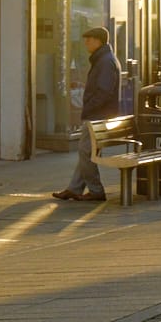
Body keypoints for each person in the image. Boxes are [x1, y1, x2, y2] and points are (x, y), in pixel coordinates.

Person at [53, 26, 120, 203]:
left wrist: (90, 106)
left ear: (98, 41)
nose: (85, 43)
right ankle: (74, 189)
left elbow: (104, 91)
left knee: (85, 151)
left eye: (89, 40)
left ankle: (96, 190)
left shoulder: (105, 61)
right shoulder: (103, 59)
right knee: (86, 152)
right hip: (98, 114)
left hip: (97, 115)